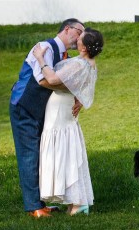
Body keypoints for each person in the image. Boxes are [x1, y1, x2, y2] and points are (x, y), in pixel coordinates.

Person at [9, 18, 86, 218]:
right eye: (79, 32)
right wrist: (73, 89)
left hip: (39, 110)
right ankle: (34, 207)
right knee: (29, 155)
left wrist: (77, 95)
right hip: (24, 107)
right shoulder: (45, 48)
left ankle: (40, 203)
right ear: (67, 29)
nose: (80, 38)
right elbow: (44, 81)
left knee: (39, 153)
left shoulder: (63, 55)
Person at [32, 27, 104, 216]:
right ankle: (76, 201)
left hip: (60, 111)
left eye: (81, 38)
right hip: (66, 110)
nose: (77, 38)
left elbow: (53, 79)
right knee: (68, 151)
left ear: (84, 48)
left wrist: (40, 58)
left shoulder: (80, 65)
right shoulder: (88, 62)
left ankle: (78, 202)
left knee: (62, 151)